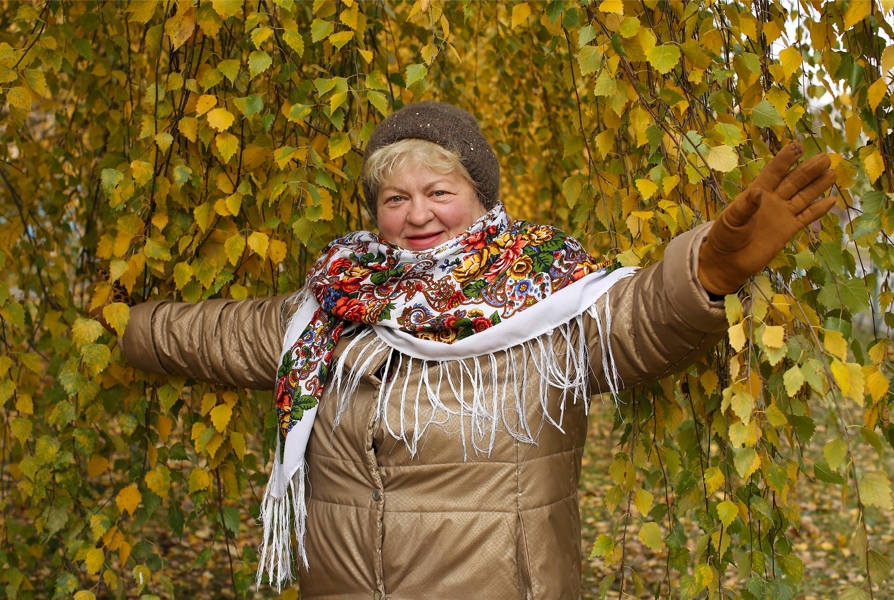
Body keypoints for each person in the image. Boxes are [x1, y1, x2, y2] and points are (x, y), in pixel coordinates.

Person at [91, 101, 836, 599]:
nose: (417, 215)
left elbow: (636, 321)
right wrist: (115, 326)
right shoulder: (328, 311)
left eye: (438, 191)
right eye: (394, 198)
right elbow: (212, 333)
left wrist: (707, 269)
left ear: (481, 196)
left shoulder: (547, 303)